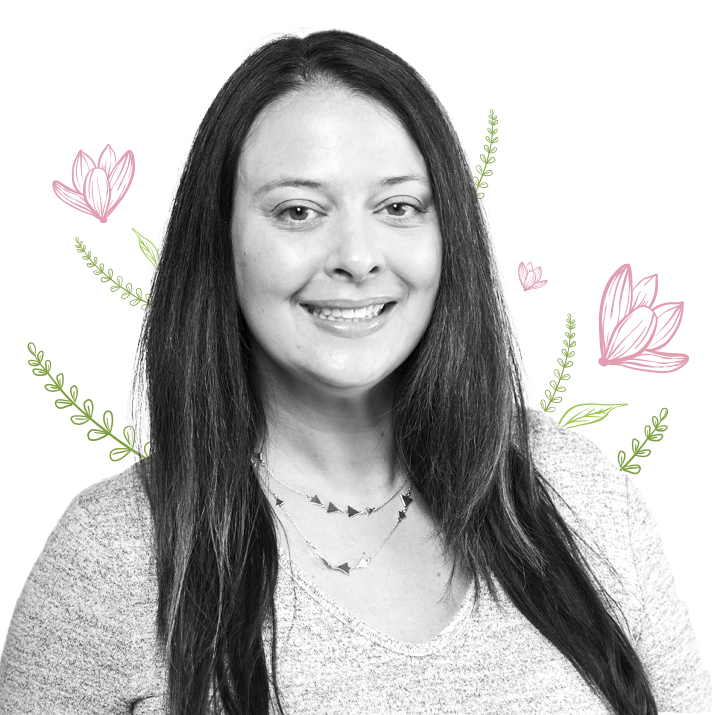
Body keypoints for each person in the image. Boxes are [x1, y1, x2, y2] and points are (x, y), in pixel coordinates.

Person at [0, 29, 711, 715]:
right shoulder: (112, 549)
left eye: (398, 206)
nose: (357, 254)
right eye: (298, 210)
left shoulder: (582, 493)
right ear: (219, 242)